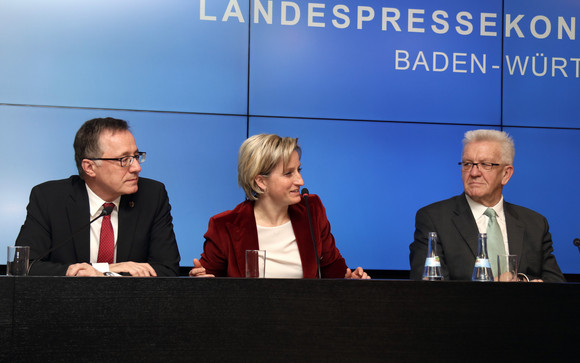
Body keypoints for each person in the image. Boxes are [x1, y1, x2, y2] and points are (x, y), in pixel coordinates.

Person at [16, 117, 180, 277]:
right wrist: (104, 269)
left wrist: (103, 271)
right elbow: (24, 266)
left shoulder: (152, 195)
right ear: (90, 167)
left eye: (136, 156)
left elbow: (167, 269)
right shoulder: (49, 198)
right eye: (124, 159)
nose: (137, 167)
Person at [189, 134, 369, 279]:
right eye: (288, 173)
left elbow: (333, 270)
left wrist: (351, 280)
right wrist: (200, 281)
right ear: (260, 181)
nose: (300, 181)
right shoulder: (225, 226)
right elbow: (208, 283)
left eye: (299, 170)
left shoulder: (311, 209)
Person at [409, 129, 565, 282]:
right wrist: (489, 290)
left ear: (506, 174)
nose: (474, 172)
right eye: (467, 164)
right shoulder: (434, 219)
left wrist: (522, 281)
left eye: (485, 164)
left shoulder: (534, 223)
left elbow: (557, 284)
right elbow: (428, 290)